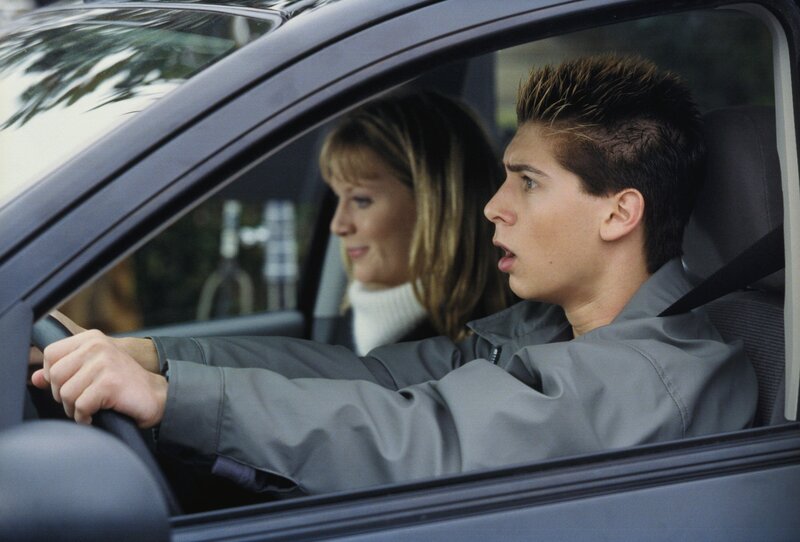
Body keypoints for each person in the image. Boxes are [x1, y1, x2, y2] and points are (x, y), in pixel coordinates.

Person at [32, 55, 757, 496]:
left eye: (528, 182)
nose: (494, 207)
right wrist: (157, 357)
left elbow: (425, 436)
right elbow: (372, 378)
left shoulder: (655, 378)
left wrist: (172, 399)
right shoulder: (545, 331)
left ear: (619, 213)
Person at [319, 91, 513, 353]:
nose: (338, 225)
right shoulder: (345, 329)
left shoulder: (484, 354)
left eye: (361, 200)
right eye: (338, 198)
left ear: (436, 205)